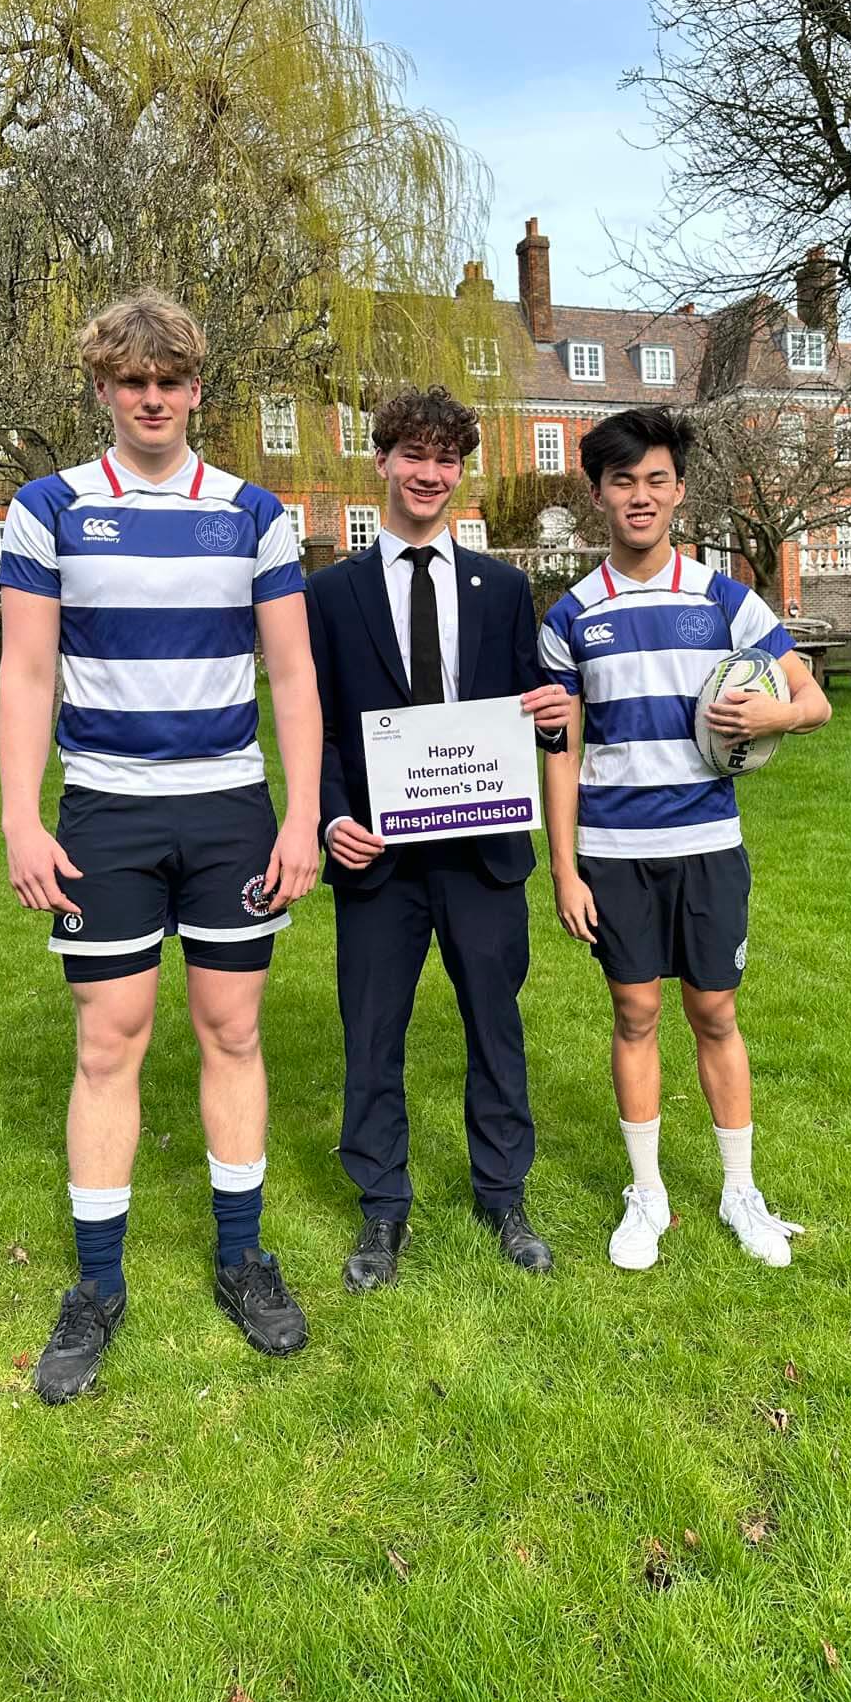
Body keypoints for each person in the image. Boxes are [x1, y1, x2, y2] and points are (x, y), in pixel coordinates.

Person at [0, 289, 322, 1404]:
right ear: (101, 388)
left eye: (169, 381)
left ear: (195, 389)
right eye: (131, 382)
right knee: (108, 1040)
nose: (151, 399)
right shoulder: (47, 508)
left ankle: (242, 1259)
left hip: (229, 805)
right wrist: (21, 814)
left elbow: (291, 675)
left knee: (231, 1030)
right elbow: (29, 673)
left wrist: (297, 813)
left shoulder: (253, 512)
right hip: (107, 813)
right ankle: (96, 1285)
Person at [539, 407, 831, 1273]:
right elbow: (559, 753)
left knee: (715, 1011)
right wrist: (563, 870)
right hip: (614, 852)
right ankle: (648, 1194)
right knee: (634, 1014)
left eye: (656, 480)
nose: (640, 496)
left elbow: (812, 700)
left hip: (708, 845)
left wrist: (774, 711)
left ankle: (741, 1191)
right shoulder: (570, 616)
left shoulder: (726, 599)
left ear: (679, 492)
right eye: (622, 480)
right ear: (598, 493)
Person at [305, 386, 571, 1292]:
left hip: (482, 851)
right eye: (412, 456)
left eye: (446, 460)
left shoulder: (499, 588)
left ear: (463, 472)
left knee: (495, 1026)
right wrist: (330, 818)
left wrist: (553, 713)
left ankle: (503, 1193)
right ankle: (382, 1207)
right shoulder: (331, 594)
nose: (429, 474)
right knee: (371, 1031)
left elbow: (535, 705)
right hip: (377, 855)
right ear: (379, 461)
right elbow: (322, 729)